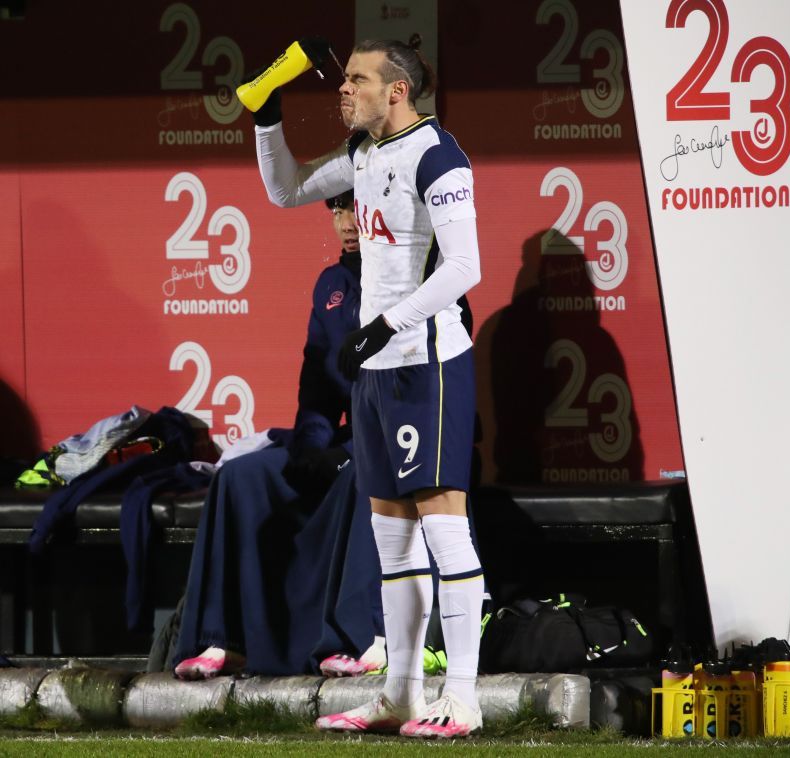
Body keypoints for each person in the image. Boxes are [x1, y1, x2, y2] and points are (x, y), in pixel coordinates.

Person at [249, 37, 484, 738]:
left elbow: (465, 265)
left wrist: (385, 326)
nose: (343, 90)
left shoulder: (439, 155)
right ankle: (401, 693)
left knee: (445, 531)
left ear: (398, 91)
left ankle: (464, 698)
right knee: (393, 546)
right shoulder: (362, 154)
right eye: (344, 78)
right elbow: (286, 190)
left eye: (357, 79)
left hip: (429, 363)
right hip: (378, 372)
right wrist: (266, 117)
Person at [172, 191, 386, 679]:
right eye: (336, 209)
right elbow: (318, 385)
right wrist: (313, 444)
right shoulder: (330, 284)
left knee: (361, 473)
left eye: (357, 205)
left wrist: (348, 452)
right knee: (240, 478)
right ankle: (224, 638)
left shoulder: (417, 274)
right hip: (346, 439)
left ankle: (352, 638)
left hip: (400, 438)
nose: (346, 221)